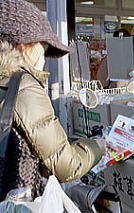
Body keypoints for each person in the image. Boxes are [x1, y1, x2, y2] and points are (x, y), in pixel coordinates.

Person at [0, 0, 104, 200]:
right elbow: (66, 166)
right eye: (43, 46)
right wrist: (97, 147)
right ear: (25, 45)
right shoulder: (23, 86)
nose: (44, 55)